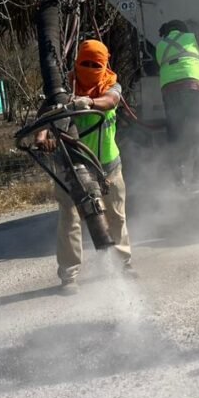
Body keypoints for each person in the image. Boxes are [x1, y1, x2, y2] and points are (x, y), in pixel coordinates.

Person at [36, 39, 133, 293]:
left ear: (104, 64)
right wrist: (42, 137)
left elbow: (110, 101)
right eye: (85, 63)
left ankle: (123, 264)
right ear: (77, 62)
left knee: (116, 215)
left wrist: (88, 102)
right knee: (70, 220)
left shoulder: (112, 84)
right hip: (71, 166)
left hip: (108, 165)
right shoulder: (63, 87)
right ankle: (69, 277)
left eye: (95, 64)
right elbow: (44, 116)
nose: (90, 68)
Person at [156, 20, 199, 188]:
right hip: (192, 88)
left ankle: (178, 179)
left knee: (175, 134)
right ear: (183, 30)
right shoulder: (193, 37)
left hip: (170, 92)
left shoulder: (159, 45)